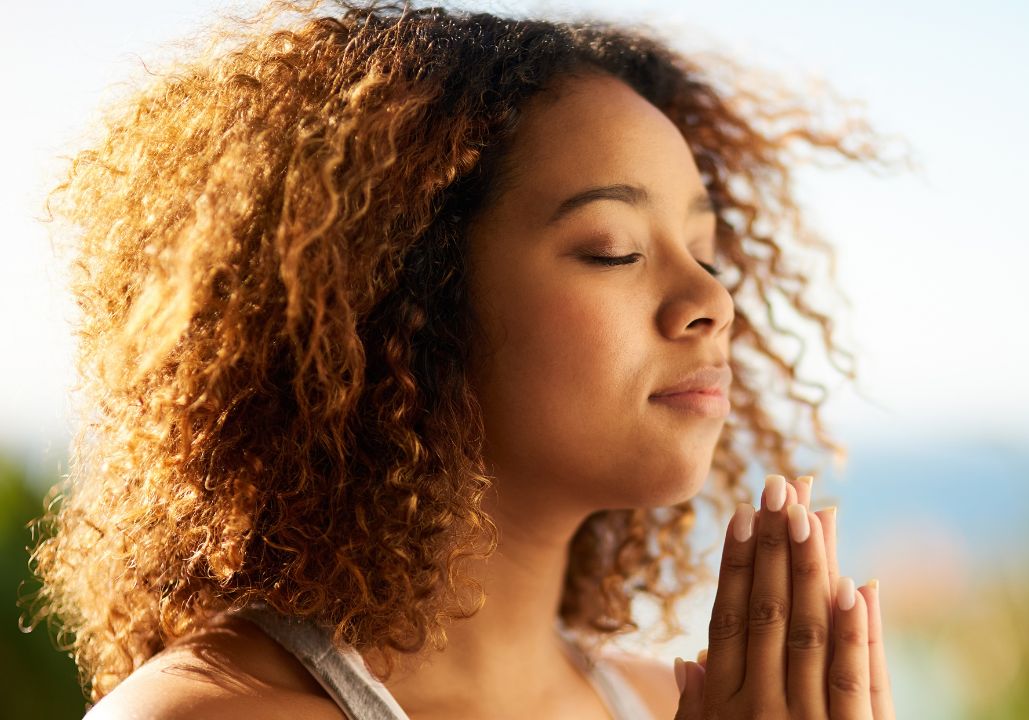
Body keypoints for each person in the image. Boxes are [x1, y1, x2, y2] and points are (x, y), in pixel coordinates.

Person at [25, 1, 908, 717]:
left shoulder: (668, 703)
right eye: (613, 249)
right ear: (401, 291)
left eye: (707, 251)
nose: (711, 301)